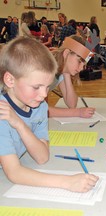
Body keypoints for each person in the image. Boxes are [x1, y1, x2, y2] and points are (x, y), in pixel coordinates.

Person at [0, 37, 98, 192]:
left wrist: (19, 124)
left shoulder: (38, 106)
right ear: (10, 80)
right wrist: (67, 182)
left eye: (47, 87)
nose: (43, 95)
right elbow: (14, 172)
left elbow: (42, 157)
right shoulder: (2, 113)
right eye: (37, 87)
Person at [49, 35, 95, 118]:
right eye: (79, 62)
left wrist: (67, 74)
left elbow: (72, 104)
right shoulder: (45, 69)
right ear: (66, 53)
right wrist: (77, 113)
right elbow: (38, 110)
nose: (81, 68)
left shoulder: (61, 70)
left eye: (83, 65)